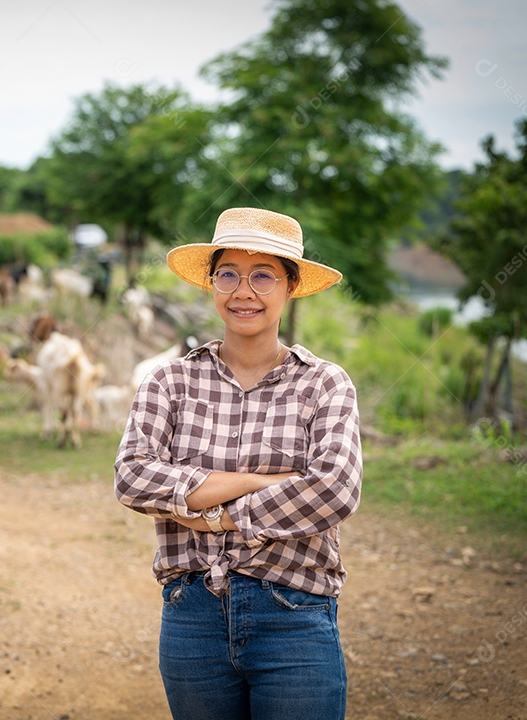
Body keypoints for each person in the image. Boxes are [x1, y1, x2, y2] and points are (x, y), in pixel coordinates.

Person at [114, 207, 362, 720]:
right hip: (191, 618)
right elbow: (133, 476)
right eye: (228, 273)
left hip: (294, 616)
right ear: (211, 282)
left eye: (262, 276)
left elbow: (335, 490)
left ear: (290, 287)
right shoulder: (169, 382)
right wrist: (259, 481)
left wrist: (214, 514)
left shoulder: (324, 383)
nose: (243, 291)